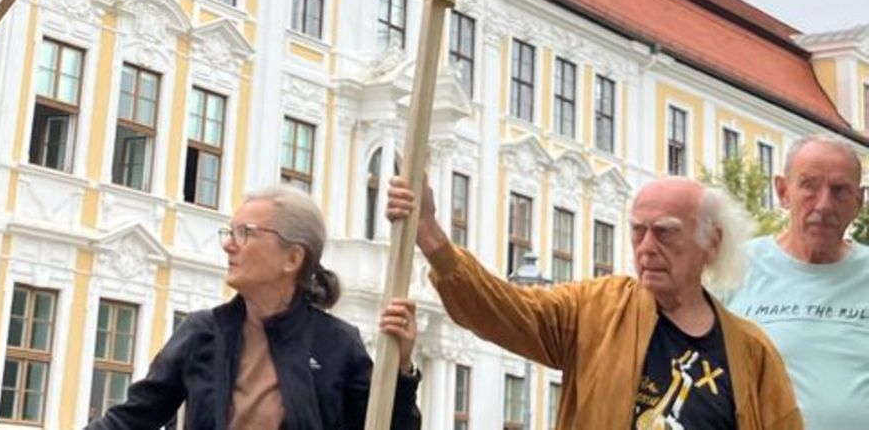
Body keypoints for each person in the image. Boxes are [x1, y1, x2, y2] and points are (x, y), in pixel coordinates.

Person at [385, 174, 801, 429]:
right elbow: (504, 312)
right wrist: (430, 235)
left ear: (711, 242)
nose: (647, 247)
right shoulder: (596, 310)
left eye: (665, 232)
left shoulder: (751, 353)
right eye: (638, 231)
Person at [86, 185, 422, 430]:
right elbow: (131, 419)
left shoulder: (337, 344)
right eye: (230, 232)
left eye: (245, 233)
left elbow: (390, 426)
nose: (228, 245)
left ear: (292, 258)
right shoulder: (202, 332)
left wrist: (402, 367)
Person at [724, 136, 869, 428]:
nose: (824, 204)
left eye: (839, 190)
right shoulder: (734, 269)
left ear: (859, 200)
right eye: (809, 186)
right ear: (782, 191)